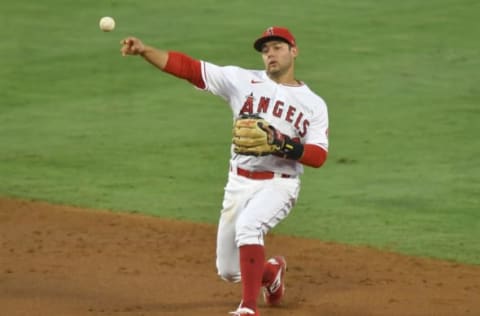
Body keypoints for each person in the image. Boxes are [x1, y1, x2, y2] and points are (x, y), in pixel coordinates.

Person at [120, 26, 329, 316]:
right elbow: (189, 68)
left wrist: (283, 144)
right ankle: (271, 273)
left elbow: (319, 156)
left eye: (277, 47)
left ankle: (248, 308)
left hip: (279, 184)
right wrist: (145, 51)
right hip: (238, 183)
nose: (270, 53)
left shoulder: (314, 104)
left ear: (294, 51)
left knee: (249, 227)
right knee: (229, 272)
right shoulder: (242, 80)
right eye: (265, 49)